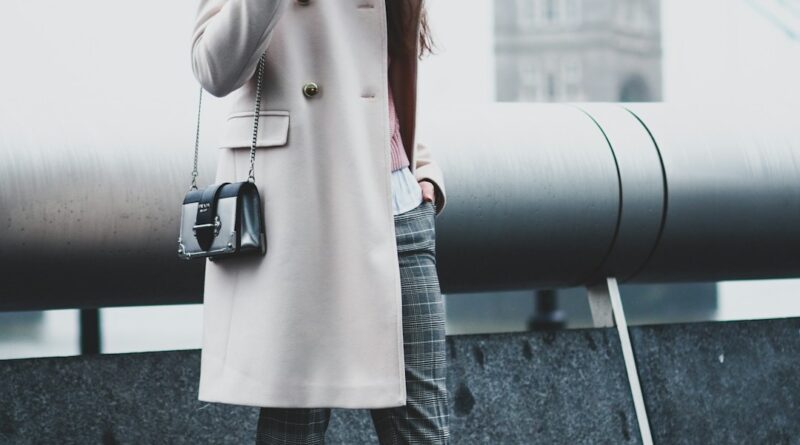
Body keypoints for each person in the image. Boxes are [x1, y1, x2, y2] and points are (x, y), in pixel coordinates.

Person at [190, 0, 449, 443]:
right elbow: (214, 69)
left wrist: (421, 168)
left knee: (422, 431)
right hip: (305, 217)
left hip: (397, 211)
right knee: (295, 428)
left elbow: (377, 68)